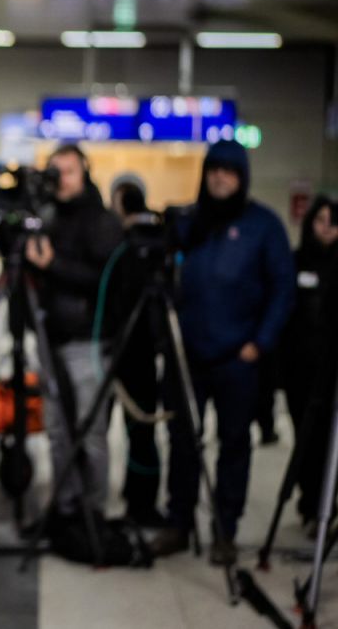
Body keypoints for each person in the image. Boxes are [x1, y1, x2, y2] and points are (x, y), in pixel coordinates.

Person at [151, 139, 295, 565]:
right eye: (214, 169)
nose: (220, 177)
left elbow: (283, 290)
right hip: (186, 356)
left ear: (242, 176)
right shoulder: (189, 223)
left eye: (229, 171)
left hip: (238, 358)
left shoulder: (263, 226)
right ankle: (178, 522)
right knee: (182, 441)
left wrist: (260, 343)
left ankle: (225, 530)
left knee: (234, 444)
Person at [25, 145, 124, 523]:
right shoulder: (47, 216)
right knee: (57, 431)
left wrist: (55, 266)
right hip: (50, 337)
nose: (59, 179)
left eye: (67, 171)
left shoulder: (101, 221)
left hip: (89, 341)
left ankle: (93, 509)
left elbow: (107, 282)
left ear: (84, 173)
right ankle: (65, 506)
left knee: (90, 432)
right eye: (54, 172)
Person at [107, 174, 166, 526]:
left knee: (140, 428)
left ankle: (141, 501)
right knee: (141, 431)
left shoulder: (127, 245)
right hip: (137, 348)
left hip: (132, 349)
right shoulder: (142, 242)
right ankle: (139, 496)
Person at [277, 196, 338, 535]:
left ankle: (328, 506)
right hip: (301, 369)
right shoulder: (295, 261)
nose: (327, 227)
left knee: (331, 441)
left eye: (333, 220)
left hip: (333, 372)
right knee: (307, 440)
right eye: (321, 219)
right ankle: (311, 503)